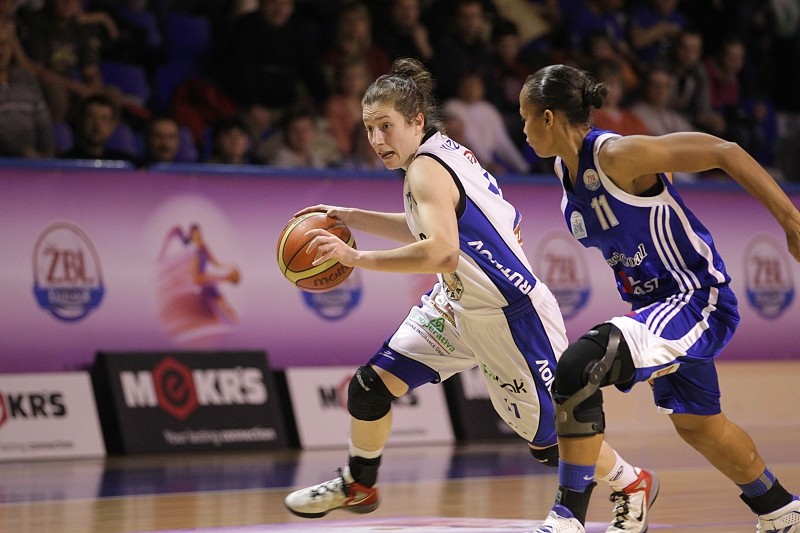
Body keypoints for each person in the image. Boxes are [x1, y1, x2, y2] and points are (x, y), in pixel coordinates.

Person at [283, 57, 659, 533]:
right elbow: (432, 226)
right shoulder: (438, 153)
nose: (376, 140)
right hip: (457, 304)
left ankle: (630, 482)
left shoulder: (425, 169)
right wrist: (352, 216)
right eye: (369, 129)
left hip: (511, 314)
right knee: (371, 386)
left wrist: (356, 258)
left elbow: (441, 252)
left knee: (552, 443)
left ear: (416, 121)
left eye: (386, 126)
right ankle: (360, 483)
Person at [519, 63, 800, 533]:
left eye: (524, 117)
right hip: (654, 308)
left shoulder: (616, 154)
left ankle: (567, 518)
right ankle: (779, 509)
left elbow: (724, 151)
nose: (522, 130)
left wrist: (791, 222)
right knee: (700, 426)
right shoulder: (565, 172)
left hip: (696, 298)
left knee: (580, 366)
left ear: (548, 117)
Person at [0, 20, 55, 158]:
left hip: (31, 163)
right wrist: (20, 151)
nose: (1, 51)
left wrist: (48, 158)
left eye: (4, 44)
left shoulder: (26, 80)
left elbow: (43, 123)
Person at [59, 93, 138, 163]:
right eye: (91, 117)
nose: (97, 125)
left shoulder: (123, 163)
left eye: (104, 119)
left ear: (112, 125)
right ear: (80, 120)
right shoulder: (64, 163)